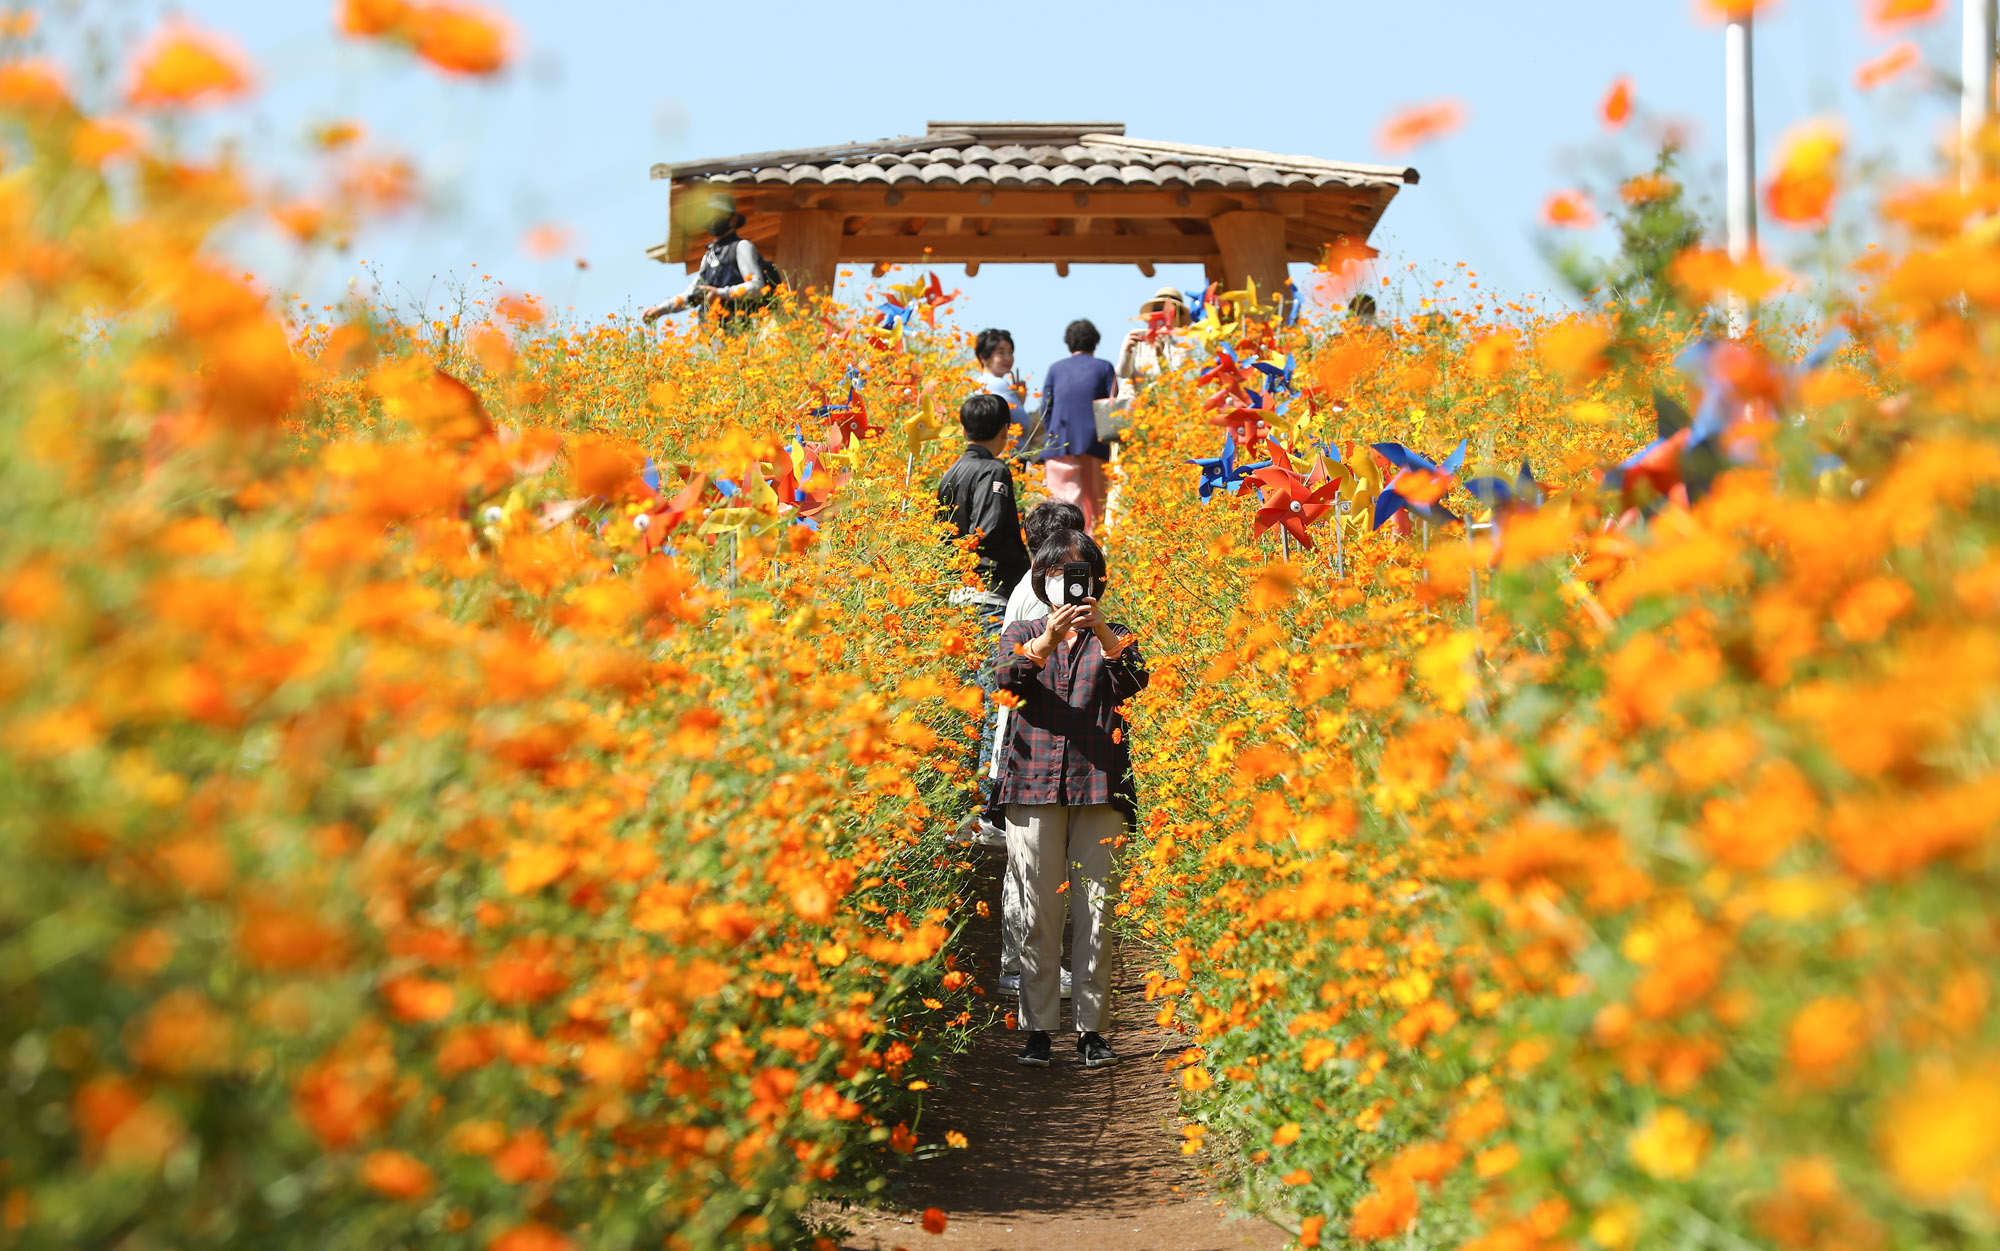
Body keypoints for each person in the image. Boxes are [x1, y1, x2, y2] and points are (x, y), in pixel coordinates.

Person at [993, 528, 1148, 1069]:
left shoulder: (1117, 634)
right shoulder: (1021, 629)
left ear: (1097, 581)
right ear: (1043, 579)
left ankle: (1093, 1031)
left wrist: (1101, 630)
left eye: (1080, 573)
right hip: (1032, 785)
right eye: (1058, 573)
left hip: (1098, 787)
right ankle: (1037, 1030)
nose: (1069, 583)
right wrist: (1045, 644)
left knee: (1097, 910)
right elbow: (1006, 684)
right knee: (1039, 910)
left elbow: (1133, 682)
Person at [990, 500, 1087, 1000]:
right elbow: (1015, 674)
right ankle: (1021, 965)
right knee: (1030, 866)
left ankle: (1025, 963)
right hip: (1031, 746)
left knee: (1030, 864)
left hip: (1030, 742)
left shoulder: (1030, 591)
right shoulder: (1038, 603)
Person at [936, 392, 1031, 837]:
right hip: (989, 594)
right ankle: (985, 808)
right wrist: (1025, 561)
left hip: (957, 593)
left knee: (964, 701)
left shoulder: (952, 470)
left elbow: (939, 531)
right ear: (1003, 431)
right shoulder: (994, 470)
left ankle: (956, 805)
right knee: (994, 699)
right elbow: (989, 531)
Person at [1036, 319, 1119, 535]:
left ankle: (1063, 554)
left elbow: (1046, 407)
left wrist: (1055, 432)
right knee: (1096, 509)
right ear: (1095, 343)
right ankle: (1093, 557)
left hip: (1059, 443)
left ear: (1069, 343)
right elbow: (1113, 406)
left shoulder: (1055, 369)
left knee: (1062, 506)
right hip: (1095, 444)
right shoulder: (1104, 367)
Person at [641, 196, 771, 323]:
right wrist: (661, 310)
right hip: (712, 333)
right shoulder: (709, 256)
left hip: (740, 327)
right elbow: (692, 294)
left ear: (733, 219)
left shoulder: (742, 246)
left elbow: (756, 286)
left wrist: (720, 293)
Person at [973, 327, 1040, 457]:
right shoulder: (998, 384)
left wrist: (1019, 401)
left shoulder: (979, 382)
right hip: (1010, 458)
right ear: (984, 356)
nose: (1008, 358)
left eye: (1010, 352)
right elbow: (1023, 425)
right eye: (1001, 352)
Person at [1114, 286, 1193, 394]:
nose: (1162, 314)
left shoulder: (1182, 350)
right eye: (1157, 310)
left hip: (1161, 407)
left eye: (1171, 311)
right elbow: (1123, 373)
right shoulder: (1135, 336)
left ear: (1178, 317)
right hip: (1131, 406)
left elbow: (1173, 383)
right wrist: (1128, 352)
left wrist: (1160, 355)